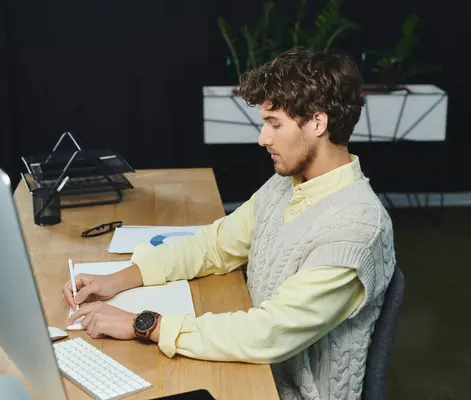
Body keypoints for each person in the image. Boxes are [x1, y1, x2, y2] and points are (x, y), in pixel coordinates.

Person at [64, 47, 396, 399]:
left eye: (274, 124)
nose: (262, 138)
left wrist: (144, 324)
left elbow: (269, 333)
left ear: (318, 122)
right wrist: (121, 278)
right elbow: (216, 244)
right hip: (253, 370)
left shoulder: (357, 228)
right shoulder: (288, 184)